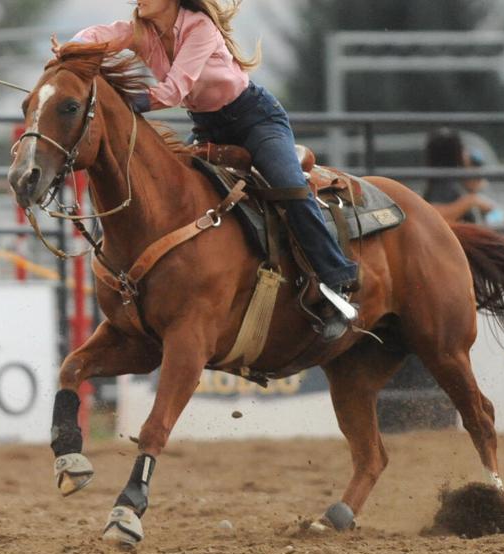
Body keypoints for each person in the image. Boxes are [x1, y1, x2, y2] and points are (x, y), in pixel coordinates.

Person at [71, 0, 358, 340]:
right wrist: (72, 51)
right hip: (208, 127)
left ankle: (336, 282)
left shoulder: (199, 28)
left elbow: (176, 88)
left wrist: (126, 105)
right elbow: (99, 35)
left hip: (255, 119)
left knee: (289, 185)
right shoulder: (140, 32)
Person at [423, 128, 495, 224]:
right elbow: (434, 215)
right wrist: (470, 201)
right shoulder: (445, 186)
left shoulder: (453, 183)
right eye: (462, 148)